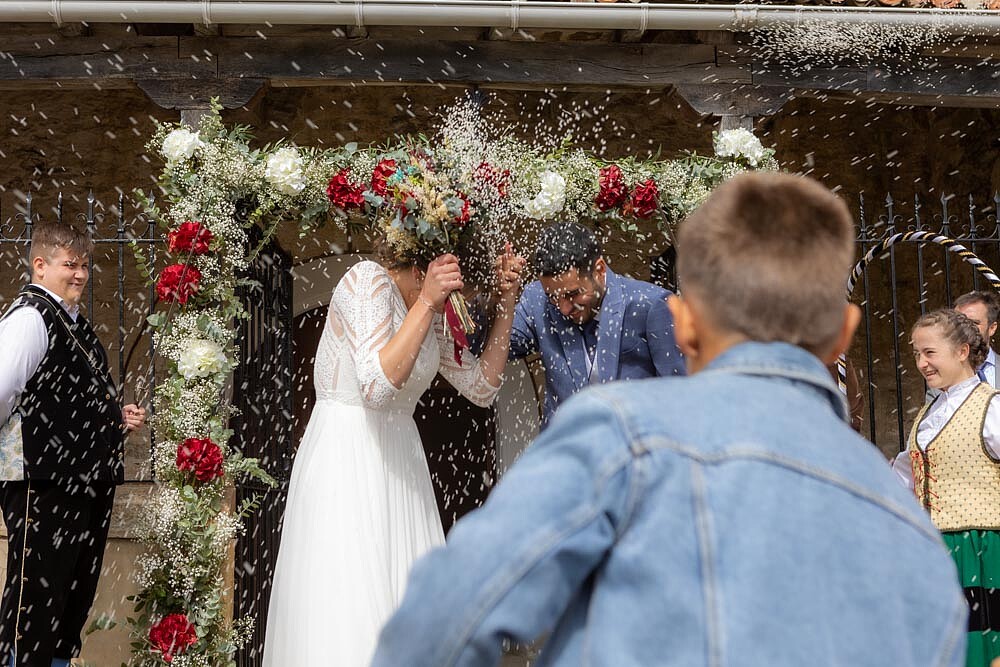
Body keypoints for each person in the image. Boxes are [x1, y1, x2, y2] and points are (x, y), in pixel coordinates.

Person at [371, 173, 967, 667]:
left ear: (682, 326)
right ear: (843, 332)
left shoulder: (616, 438)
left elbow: (443, 615)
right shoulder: (913, 536)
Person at [262, 243, 525, 666]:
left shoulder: (429, 311)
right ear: (425, 272)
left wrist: (507, 303)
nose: (460, 305)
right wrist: (427, 302)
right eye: (459, 294)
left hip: (402, 463)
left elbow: (482, 387)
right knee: (350, 605)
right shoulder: (366, 280)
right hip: (348, 458)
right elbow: (376, 388)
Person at [0, 223, 146, 667]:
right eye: (70, 264)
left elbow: (62, 397)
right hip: (43, 482)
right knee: (34, 602)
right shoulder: (30, 318)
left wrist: (112, 418)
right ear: (40, 265)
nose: (80, 274)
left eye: (84, 265)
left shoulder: (71, 322)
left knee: (69, 601)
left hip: (80, 481)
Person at [894, 308, 1000, 666]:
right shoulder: (927, 415)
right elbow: (903, 478)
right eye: (916, 354)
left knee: (979, 647)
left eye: (929, 352)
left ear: (962, 351)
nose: (921, 363)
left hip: (981, 548)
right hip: (935, 549)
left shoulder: (992, 407)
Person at [509, 221, 684, 426]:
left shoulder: (651, 305)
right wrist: (500, 297)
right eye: (553, 297)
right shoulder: (536, 299)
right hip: (566, 443)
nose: (564, 308)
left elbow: (678, 396)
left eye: (573, 294)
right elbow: (502, 349)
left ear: (599, 270)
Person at [954, 290, 1000, 388]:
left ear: (992, 328)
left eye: (974, 323)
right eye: (959, 323)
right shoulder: (943, 375)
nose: (965, 328)